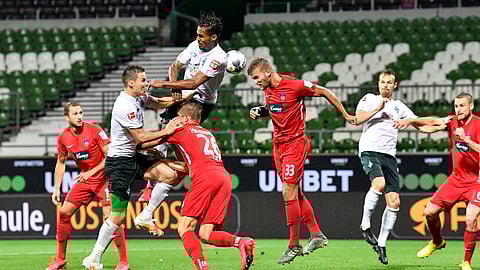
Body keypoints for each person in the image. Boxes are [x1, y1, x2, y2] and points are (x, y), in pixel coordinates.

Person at [247, 57, 356, 265]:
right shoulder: (268, 89)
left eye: (257, 77)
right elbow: (276, 109)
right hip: (278, 145)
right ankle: (316, 235)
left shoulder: (296, 86)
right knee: (295, 192)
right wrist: (260, 111)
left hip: (295, 143)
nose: (256, 82)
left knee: (288, 191)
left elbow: (325, 91)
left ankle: (293, 245)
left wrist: (344, 114)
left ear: (268, 72)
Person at [82, 65, 187, 269]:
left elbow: (157, 103)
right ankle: (93, 257)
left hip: (134, 157)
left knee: (170, 174)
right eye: (143, 80)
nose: (146, 83)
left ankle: (147, 214)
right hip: (119, 164)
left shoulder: (140, 96)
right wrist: (166, 131)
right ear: (131, 83)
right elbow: (141, 137)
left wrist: (180, 99)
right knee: (117, 217)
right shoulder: (124, 105)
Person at [138, 102, 255, 270]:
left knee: (184, 228)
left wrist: (154, 137)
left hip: (205, 178)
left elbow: (145, 143)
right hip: (223, 177)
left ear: (185, 118)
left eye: (178, 117)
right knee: (205, 234)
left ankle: (201, 265)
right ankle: (241, 242)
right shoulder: (207, 133)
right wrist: (164, 161)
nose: (175, 120)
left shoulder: (181, 130)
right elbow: (190, 165)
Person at [136, 11, 227, 223]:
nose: (198, 39)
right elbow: (175, 66)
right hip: (184, 96)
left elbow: (195, 83)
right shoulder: (195, 46)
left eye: (202, 36)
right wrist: (174, 85)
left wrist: (165, 85)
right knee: (163, 140)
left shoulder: (218, 58)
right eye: (197, 35)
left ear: (213, 37)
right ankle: (149, 199)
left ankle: (153, 198)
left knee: (171, 138)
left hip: (199, 103)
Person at [355, 69, 447, 265]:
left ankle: (381, 243)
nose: (385, 85)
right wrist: (378, 109)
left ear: (395, 85)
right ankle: (365, 226)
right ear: (378, 83)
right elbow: (357, 120)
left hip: (389, 156)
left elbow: (420, 126)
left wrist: (440, 126)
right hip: (370, 150)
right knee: (378, 184)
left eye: (389, 82)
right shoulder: (369, 99)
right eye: (382, 82)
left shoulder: (399, 107)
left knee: (394, 202)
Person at [399, 93, 479, 270]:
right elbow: (432, 123)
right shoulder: (453, 121)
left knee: (471, 218)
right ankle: (437, 241)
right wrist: (412, 121)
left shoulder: (479, 124)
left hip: (477, 181)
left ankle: (466, 262)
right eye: (456, 106)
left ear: (471, 106)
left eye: (462, 106)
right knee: (429, 212)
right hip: (456, 179)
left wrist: (466, 139)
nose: (459, 109)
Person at [46, 102, 128, 270]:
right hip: (86, 181)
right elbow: (60, 163)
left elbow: (110, 157)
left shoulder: (95, 130)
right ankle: (60, 259)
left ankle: (123, 262)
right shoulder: (63, 137)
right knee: (63, 214)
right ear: (66, 117)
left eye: (81, 112)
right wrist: (56, 188)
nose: (79, 116)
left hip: (105, 178)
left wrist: (91, 172)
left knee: (110, 219)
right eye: (75, 114)